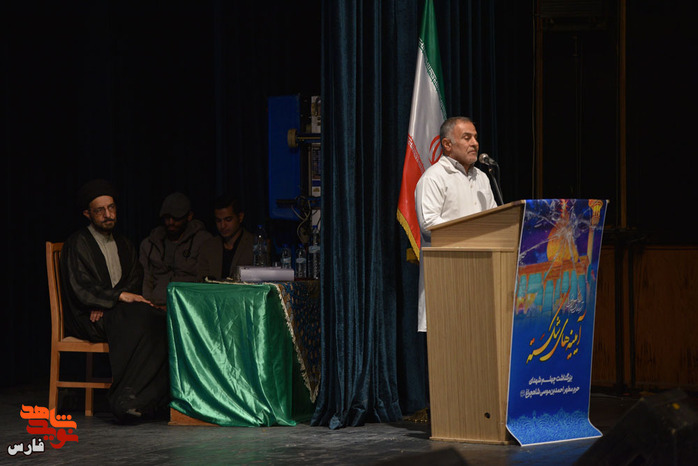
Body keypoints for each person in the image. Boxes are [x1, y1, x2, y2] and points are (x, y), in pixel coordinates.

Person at [60, 179, 170, 422]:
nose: (108, 215)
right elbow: (79, 287)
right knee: (137, 319)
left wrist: (110, 302)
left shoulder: (124, 243)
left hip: (112, 311)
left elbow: (134, 278)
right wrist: (109, 300)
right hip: (86, 316)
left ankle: (153, 399)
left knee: (158, 318)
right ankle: (125, 400)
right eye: (100, 210)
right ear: (88, 214)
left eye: (111, 208)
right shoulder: (77, 243)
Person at [414, 116, 498, 332]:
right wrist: (472, 233)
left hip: (481, 277)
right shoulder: (433, 178)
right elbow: (429, 224)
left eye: (476, 138)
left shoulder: (482, 178)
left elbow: (494, 220)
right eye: (467, 138)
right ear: (447, 145)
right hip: (447, 278)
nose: (475, 143)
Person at [139, 192, 212, 308]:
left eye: (176, 218)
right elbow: (146, 279)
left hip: (189, 306)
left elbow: (205, 281)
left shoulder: (203, 241)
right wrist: (148, 305)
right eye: (167, 218)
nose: (170, 222)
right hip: (156, 306)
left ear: (189, 216)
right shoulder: (150, 243)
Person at [197, 194, 255, 281]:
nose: (223, 226)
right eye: (218, 221)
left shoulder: (254, 245)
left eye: (228, 220)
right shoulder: (208, 247)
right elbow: (201, 280)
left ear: (240, 217)